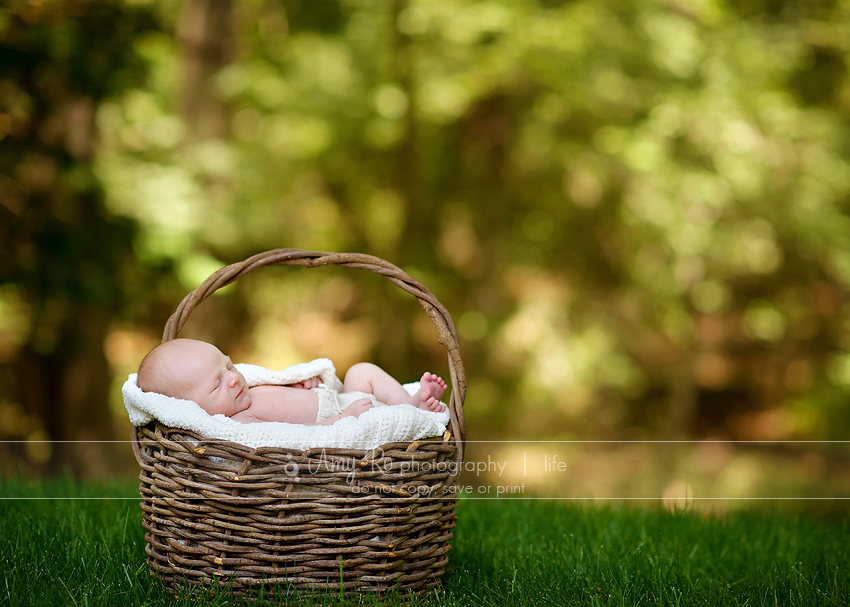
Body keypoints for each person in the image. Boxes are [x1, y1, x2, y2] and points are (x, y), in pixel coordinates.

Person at [136, 338, 447, 425]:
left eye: (229, 366)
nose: (233, 380)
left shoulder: (245, 392)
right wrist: (343, 420)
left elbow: (279, 394)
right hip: (340, 417)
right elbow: (295, 440)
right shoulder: (241, 424)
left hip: (338, 397)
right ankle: (410, 414)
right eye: (217, 384)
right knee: (378, 419)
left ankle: (410, 403)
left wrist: (299, 387)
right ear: (189, 409)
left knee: (360, 371)